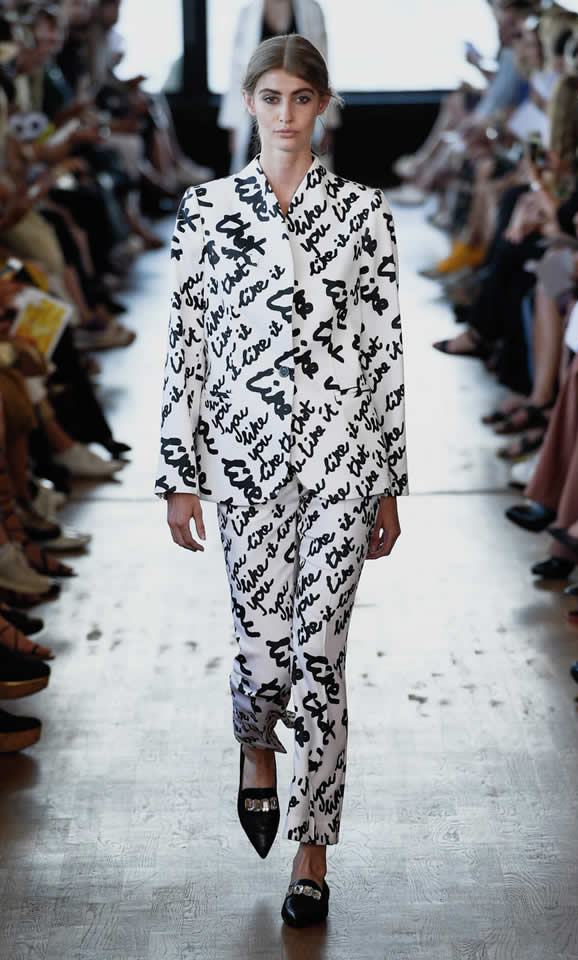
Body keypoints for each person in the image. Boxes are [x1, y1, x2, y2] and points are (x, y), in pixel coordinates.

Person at [156, 34, 407, 929]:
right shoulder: (206, 211)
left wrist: (390, 479)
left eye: (303, 97)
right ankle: (255, 744)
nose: (288, 114)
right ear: (249, 102)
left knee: (322, 659)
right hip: (245, 463)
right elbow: (186, 345)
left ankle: (312, 857)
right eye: (273, 97)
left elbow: (383, 351)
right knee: (264, 659)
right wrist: (179, 473)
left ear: (323, 105)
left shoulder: (365, 214)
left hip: (343, 458)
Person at [218, 0, 340, 174]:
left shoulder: (312, 10)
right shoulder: (247, 14)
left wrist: (327, 123)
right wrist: (234, 125)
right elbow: (237, 72)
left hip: (303, 113)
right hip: (258, 118)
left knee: (306, 175)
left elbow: (323, 67)